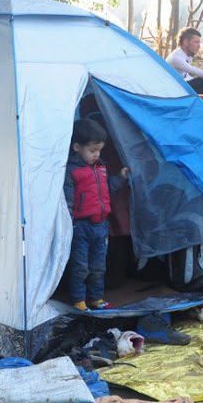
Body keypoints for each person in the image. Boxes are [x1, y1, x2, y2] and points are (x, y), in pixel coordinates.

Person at [64, 118, 129, 311]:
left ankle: (96, 298)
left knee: (99, 266)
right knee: (80, 266)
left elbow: (107, 190)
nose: (96, 154)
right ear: (77, 147)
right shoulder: (72, 171)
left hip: (101, 225)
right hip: (81, 226)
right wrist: (69, 222)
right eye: (92, 150)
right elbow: (67, 199)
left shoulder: (100, 167)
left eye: (99, 150)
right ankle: (78, 299)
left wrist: (120, 178)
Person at [165, 27, 203, 94]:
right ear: (185, 42)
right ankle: (190, 102)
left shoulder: (188, 54)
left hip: (179, 85)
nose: (199, 46)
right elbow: (194, 71)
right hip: (171, 89)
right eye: (196, 42)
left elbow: (186, 75)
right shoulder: (176, 57)